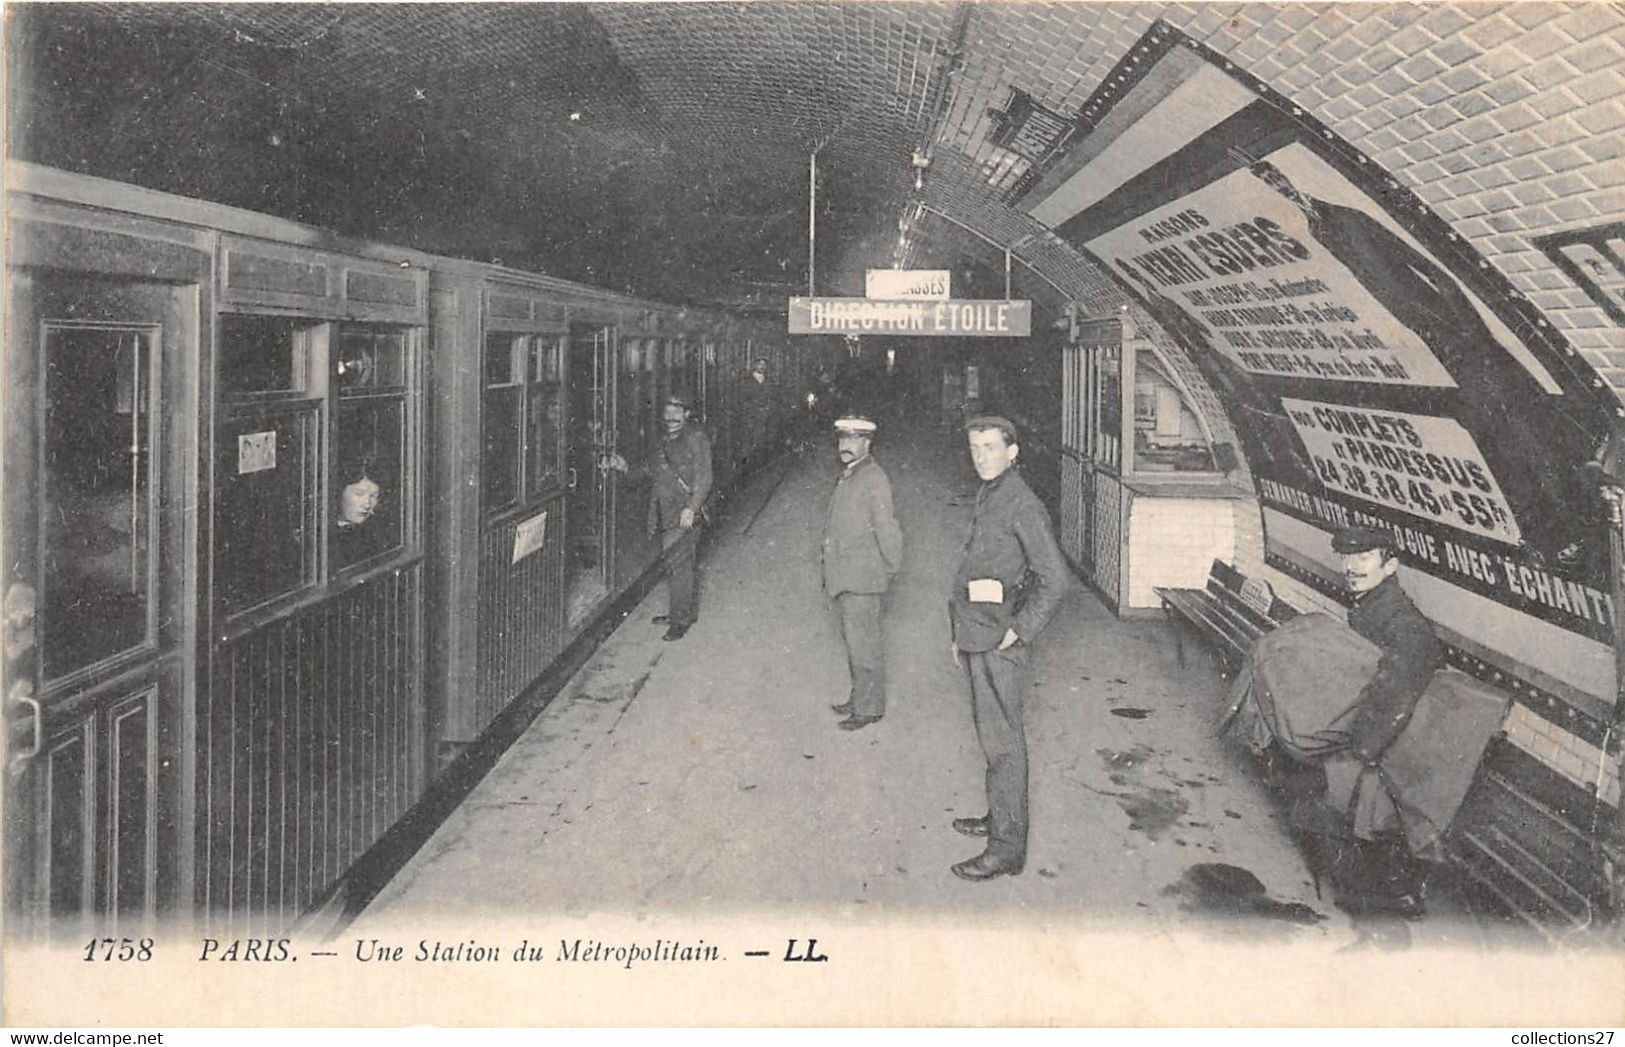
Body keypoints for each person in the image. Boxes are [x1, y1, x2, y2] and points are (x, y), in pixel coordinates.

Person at [947, 416, 1070, 881]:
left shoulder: (1022, 503)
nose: (981, 456)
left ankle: (1005, 848)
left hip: (999, 638)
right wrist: (957, 631)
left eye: (991, 447)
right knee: (992, 735)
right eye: (975, 447)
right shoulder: (992, 492)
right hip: (978, 629)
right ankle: (1000, 819)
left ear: (1012, 452)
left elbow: (1056, 578)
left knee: (1003, 744)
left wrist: (1021, 629)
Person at [602, 393, 712, 641]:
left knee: (680, 563)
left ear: (687, 414)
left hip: (683, 512)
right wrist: (625, 467)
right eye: (668, 411)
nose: (672, 416)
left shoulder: (695, 438)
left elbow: (705, 477)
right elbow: (652, 469)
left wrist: (692, 508)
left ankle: (681, 620)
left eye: (678, 410)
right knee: (675, 562)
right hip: (665, 510)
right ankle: (678, 612)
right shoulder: (666, 439)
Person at [821, 414, 903, 731]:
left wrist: (890, 566)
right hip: (847, 573)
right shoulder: (853, 473)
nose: (845, 446)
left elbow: (887, 527)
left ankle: (869, 708)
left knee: (864, 646)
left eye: (853, 440)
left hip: (862, 576)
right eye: (842, 440)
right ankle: (860, 697)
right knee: (856, 643)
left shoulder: (873, 478)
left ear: (867, 443)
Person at [737, 357, 773, 473]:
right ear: (755, 365)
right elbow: (742, 398)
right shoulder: (747, 380)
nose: (762, 367)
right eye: (760, 364)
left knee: (760, 437)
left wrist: (767, 409)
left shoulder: (768, 381)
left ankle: (757, 464)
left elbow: (770, 398)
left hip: (763, 414)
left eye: (764, 365)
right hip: (749, 415)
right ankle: (745, 465)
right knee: (747, 438)